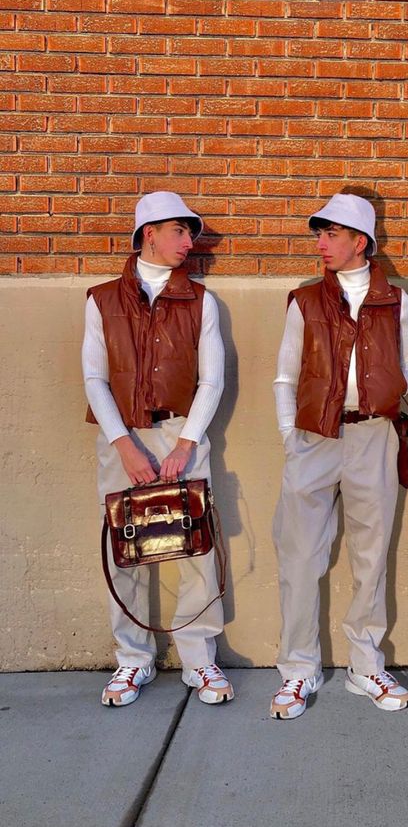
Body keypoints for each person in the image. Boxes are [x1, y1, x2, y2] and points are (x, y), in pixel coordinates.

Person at [270, 192, 408, 719]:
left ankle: (364, 664)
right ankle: (296, 669)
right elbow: (285, 375)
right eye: (320, 234)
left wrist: (384, 385)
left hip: (373, 437)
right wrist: (292, 439)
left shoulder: (397, 300)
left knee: (371, 554)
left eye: (331, 234)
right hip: (314, 439)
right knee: (299, 557)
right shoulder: (305, 299)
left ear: (361, 241)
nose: (321, 244)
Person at [83, 191, 234, 707]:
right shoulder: (101, 299)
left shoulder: (200, 300)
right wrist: (123, 444)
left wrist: (185, 444)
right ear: (149, 232)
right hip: (120, 436)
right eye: (179, 231)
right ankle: (132, 661)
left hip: (180, 434)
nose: (189, 242)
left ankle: (199, 659)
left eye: (191, 233)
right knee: (123, 550)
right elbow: (93, 377)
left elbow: (211, 381)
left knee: (196, 547)